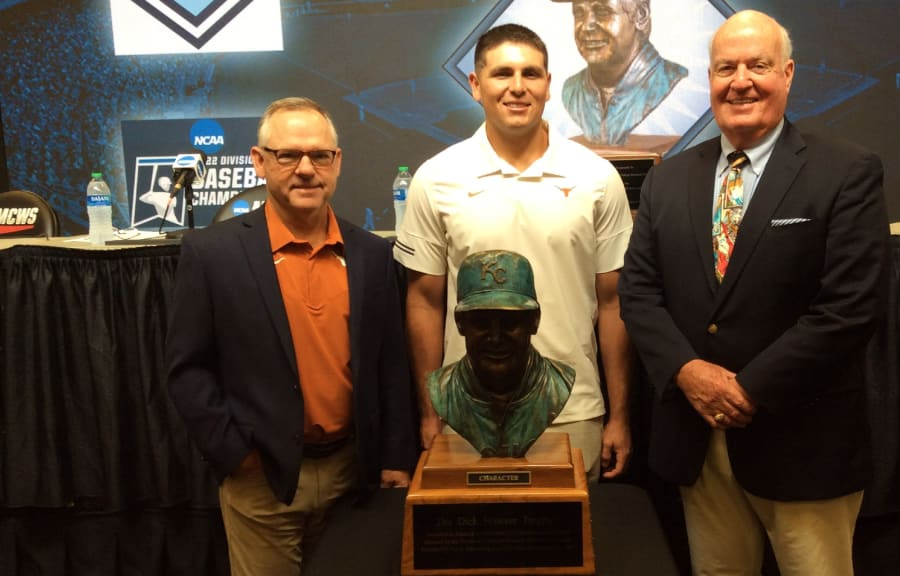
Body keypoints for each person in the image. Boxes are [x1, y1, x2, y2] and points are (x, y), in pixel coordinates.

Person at [618, 10, 889, 576]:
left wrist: (748, 388)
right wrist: (689, 373)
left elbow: (849, 309)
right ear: (710, 80)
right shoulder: (668, 179)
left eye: (758, 65)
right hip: (697, 442)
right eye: (725, 68)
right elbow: (639, 293)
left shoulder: (846, 170)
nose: (740, 80)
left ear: (788, 74)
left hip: (802, 443)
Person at [165, 96, 417, 576]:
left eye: (320, 155)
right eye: (288, 155)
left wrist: (395, 460)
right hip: (263, 483)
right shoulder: (211, 253)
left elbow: (389, 367)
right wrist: (237, 456)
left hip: (353, 479)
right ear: (260, 162)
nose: (306, 169)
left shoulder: (370, 254)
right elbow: (189, 369)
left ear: (337, 163)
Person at [394, 23, 634, 482]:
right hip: (465, 416)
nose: (518, 87)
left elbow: (614, 302)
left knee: (570, 552)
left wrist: (619, 415)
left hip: (572, 409)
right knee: (469, 550)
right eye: (503, 73)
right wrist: (430, 412)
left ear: (548, 84)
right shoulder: (436, 177)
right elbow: (424, 301)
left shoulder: (596, 177)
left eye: (531, 74)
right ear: (475, 84)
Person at [429, 250, 575, 458]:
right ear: (460, 324)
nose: (495, 338)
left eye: (509, 322)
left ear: (534, 321)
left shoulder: (558, 383)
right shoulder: (442, 389)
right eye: (481, 323)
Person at [555, 0, 688, 146]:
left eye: (602, 12)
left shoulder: (674, 83)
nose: (586, 26)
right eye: (579, 13)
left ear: (640, 16)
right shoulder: (571, 90)